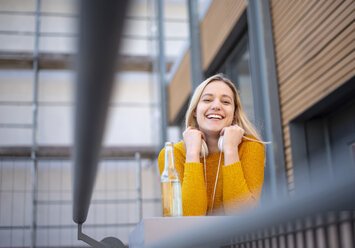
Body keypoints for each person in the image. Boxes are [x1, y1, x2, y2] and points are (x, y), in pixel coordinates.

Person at [158, 73, 265, 216]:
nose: (216, 106)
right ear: (195, 111)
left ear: (234, 114)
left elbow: (242, 216)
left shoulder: (250, 147)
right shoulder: (172, 154)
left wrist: (231, 150)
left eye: (226, 102)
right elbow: (189, 218)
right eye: (207, 100)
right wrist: (192, 154)